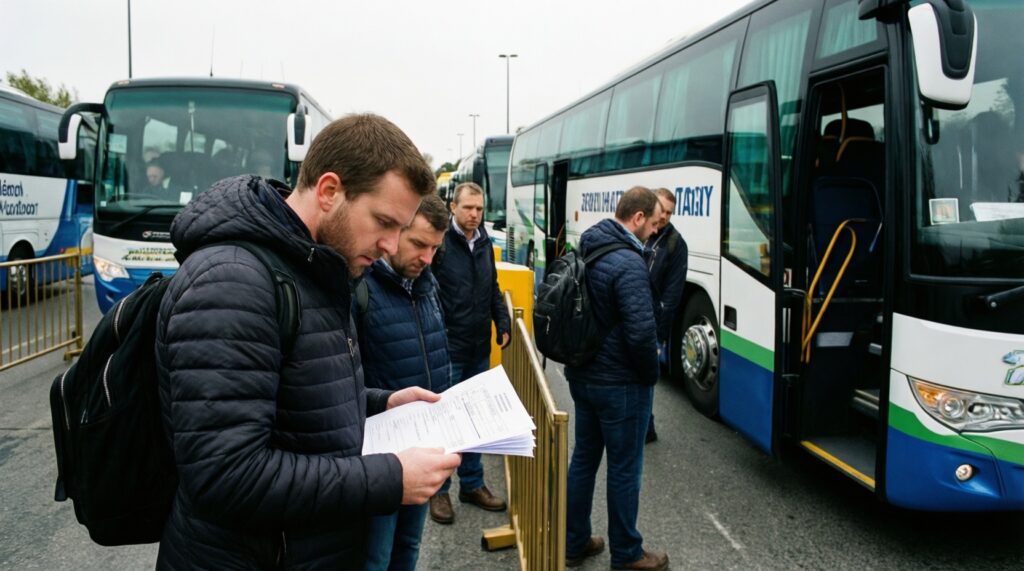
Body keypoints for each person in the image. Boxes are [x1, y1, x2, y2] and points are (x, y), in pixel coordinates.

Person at [153, 114, 461, 570]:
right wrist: (390, 478)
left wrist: (381, 403)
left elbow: (299, 398)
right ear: (330, 191)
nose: (391, 246)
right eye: (384, 222)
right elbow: (227, 475)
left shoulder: (319, 265)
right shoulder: (232, 282)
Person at [564, 186, 668, 571]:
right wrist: (649, 376)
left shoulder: (588, 245)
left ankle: (575, 541)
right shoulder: (628, 262)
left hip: (584, 375)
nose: (656, 231)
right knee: (625, 469)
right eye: (654, 223)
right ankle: (627, 554)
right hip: (621, 384)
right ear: (637, 218)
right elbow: (641, 334)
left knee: (584, 459)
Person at [356, 194, 452, 571]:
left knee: (408, 546)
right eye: (418, 244)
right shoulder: (360, 286)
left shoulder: (427, 283)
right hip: (379, 458)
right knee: (375, 556)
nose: (427, 258)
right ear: (396, 232)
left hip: (424, 446)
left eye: (434, 248)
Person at [429, 181, 511, 524]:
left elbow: (491, 286)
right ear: (453, 207)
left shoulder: (484, 241)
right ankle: (439, 490)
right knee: (445, 422)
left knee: (476, 420)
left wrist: (502, 321)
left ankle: (472, 485)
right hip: (449, 346)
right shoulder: (441, 242)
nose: (475, 215)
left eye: (479, 209)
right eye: (468, 208)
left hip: (478, 344)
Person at [644, 187, 688, 444]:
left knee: (648, 377)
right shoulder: (640, 232)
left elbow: (672, 297)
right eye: (661, 209)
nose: (663, 217)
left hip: (651, 324)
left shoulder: (676, 244)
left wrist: (659, 335)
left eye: (669, 212)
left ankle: (646, 426)